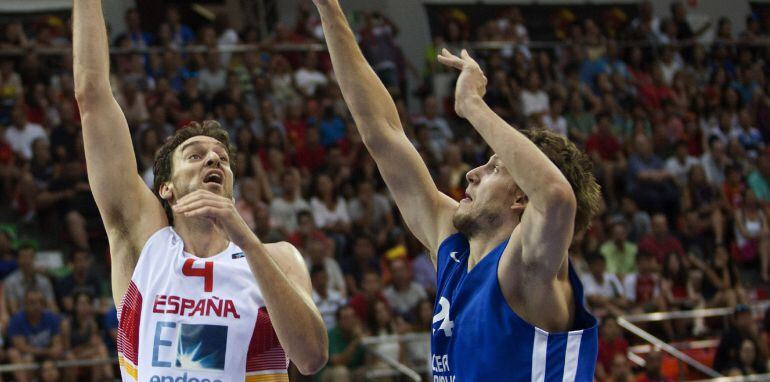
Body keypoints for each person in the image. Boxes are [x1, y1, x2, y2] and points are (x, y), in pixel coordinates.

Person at [314, 0, 602, 379]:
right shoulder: (452, 247)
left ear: (522, 198)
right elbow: (381, 133)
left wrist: (471, 105)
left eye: (495, 167)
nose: (472, 173)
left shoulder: (529, 267)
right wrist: (329, 7)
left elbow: (556, 197)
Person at [72, 2, 327, 381]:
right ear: (167, 189)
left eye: (222, 158)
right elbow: (92, 96)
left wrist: (245, 237)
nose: (213, 161)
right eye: (195, 155)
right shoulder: (145, 245)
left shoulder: (279, 259)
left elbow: (310, 358)